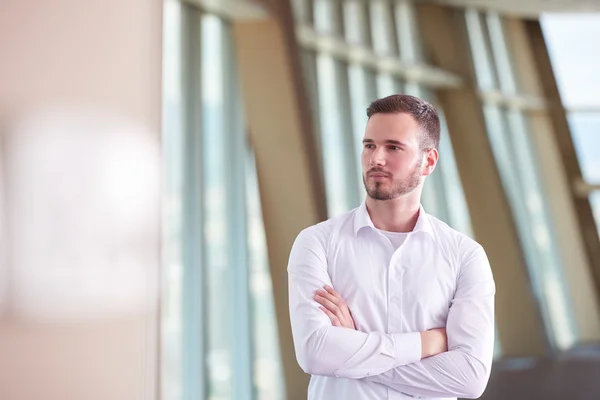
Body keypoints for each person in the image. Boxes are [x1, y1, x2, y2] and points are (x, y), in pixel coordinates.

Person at [287, 94, 495, 400]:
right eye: (369, 145)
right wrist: (426, 344)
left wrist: (353, 349)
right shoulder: (317, 242)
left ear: (429, 161)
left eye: (393, 147)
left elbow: (470, 377)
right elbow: (315, 353)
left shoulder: (465, 256)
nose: (376, 159)